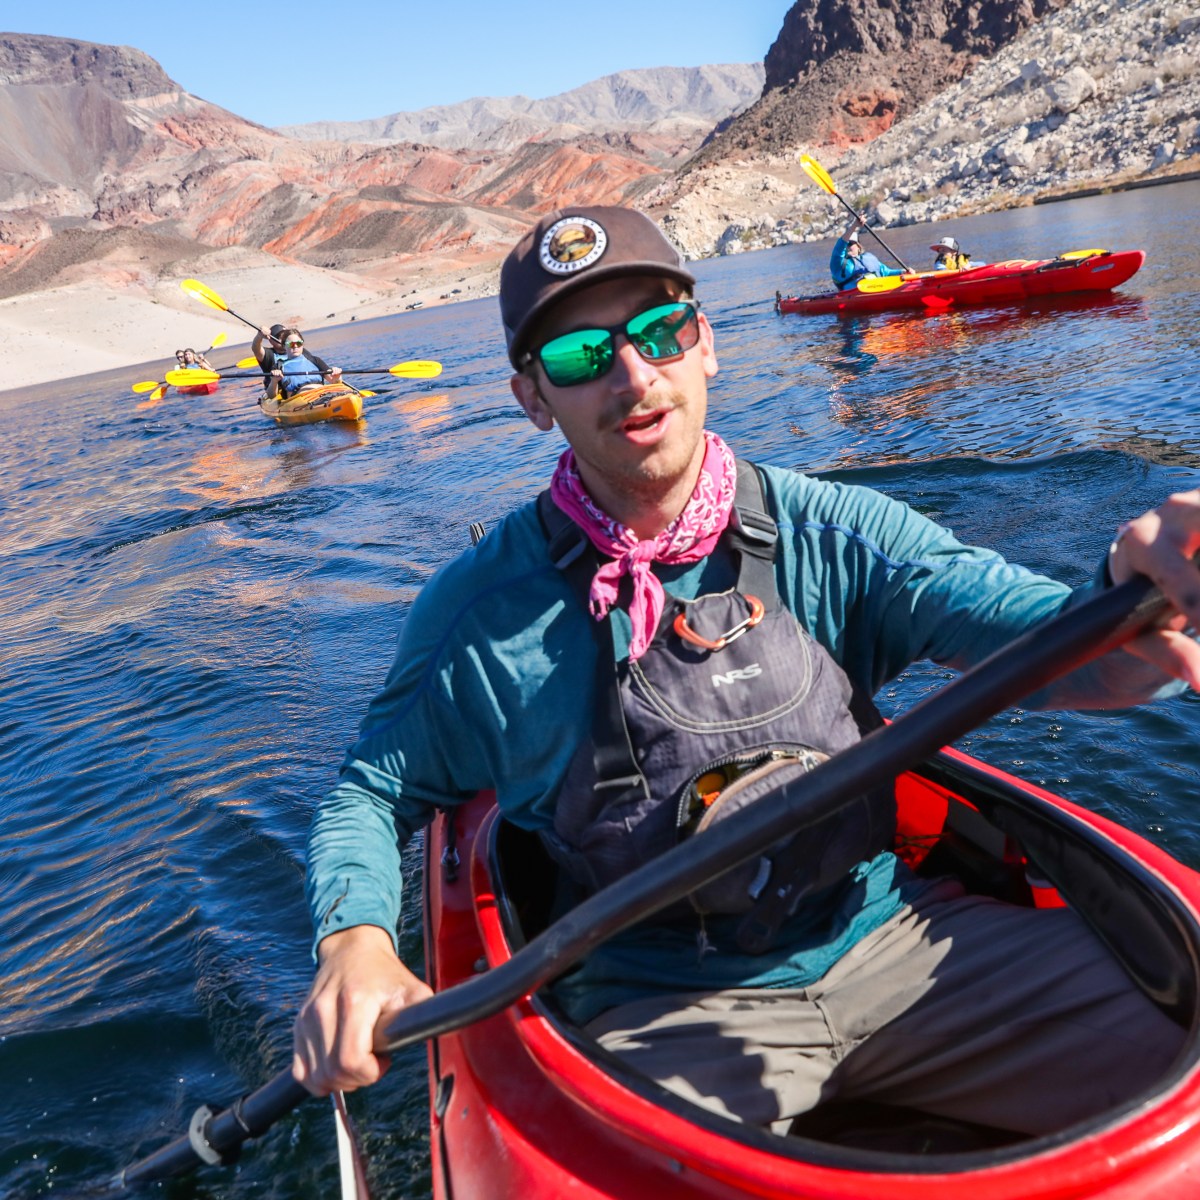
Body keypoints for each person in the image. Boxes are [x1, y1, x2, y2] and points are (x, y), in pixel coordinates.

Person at [293, 204, 1200, 1140]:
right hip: (661, 1008)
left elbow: (1042, 644)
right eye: (578, 357)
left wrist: (1133, 605)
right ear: (533, 397)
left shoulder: (835, 532)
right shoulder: (478, 615)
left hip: (902, 942)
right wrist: (354, 942)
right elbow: (369, 791)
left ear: (706, 343)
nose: (635, 375)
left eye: (660, 330)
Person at [256, 327, 342, 400]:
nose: (295, 346)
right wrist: (274, 381)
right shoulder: (278, 366)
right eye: (291, 344)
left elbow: (335, 382)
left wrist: (337, 376)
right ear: (284, 346)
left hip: (322, 394)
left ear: (302, 344)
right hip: (299, 400)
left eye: (298, 343)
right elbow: (271, 396)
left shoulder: (315, 360)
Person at [829, 216, 906, 290]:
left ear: (858, 247)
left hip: (879, 289)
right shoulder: (837, 263)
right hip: (855, 296)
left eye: (850, 244)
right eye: (845, 245)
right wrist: (855, 225)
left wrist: (903, 271)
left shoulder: (868, 258)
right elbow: (840, 245)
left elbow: (887, 273)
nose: (847, 247)